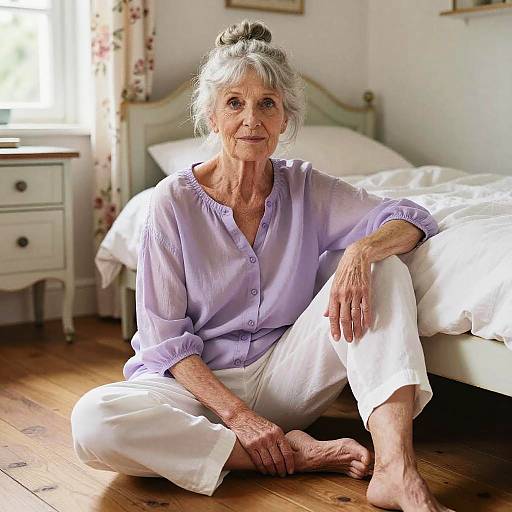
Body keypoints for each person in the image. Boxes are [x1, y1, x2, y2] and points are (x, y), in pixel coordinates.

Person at [71, 20, 453, 512]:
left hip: (284, 376)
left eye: (267, 104)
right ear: (212, 116)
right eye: (235, 103)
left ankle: (396, 470)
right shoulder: (171, 202)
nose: (251, 119)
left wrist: (360, 251)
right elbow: (165, 343)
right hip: (195, 388)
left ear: (284, 120)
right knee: (94, 421)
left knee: (384, 267)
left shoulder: (306, 187)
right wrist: (238, 418)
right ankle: (291, 456)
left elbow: (410, 216)